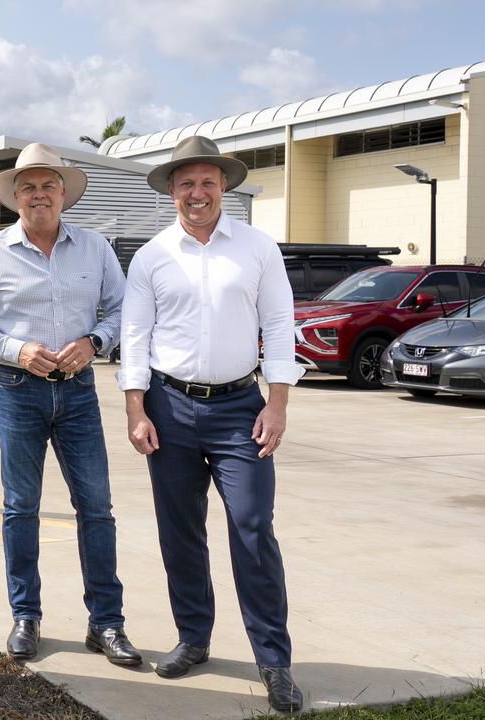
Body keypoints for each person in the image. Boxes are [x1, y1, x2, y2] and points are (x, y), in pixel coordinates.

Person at [118, 135, 304, 712]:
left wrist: (277, 404)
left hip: (238, 410)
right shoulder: (152, 257)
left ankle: (273, 661)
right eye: (186, 183)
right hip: (169, 409)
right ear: (172, 191)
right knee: (180, 531)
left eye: (207, 182)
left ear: (224, 185)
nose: (197, 193)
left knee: (252, 528)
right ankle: (193, 639)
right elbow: (134, 338)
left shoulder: (257, 249)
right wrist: (136, 408)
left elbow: (279, 324)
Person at [0, 142, 140, 666]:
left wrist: (95, 343)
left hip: (78, 392)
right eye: (29, 186)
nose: (40, 195)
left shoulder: (95, 248)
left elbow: (123, 309)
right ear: (16, 196)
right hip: (17, 392)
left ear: (64, 194)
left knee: (96, 508)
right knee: (21, 507)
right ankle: (26, 616)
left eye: (49, 185)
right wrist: (18, 350)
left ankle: (106, 623)